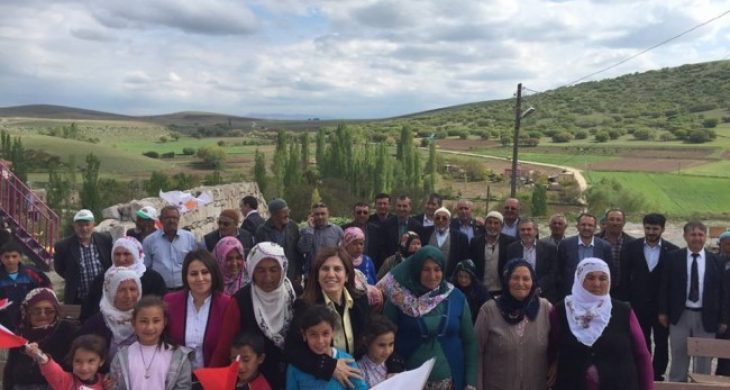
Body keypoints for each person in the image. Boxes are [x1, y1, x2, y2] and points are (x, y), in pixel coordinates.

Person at [380, 246, 477, 389]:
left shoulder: (456, 297)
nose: (432, 276)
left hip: (451, 381)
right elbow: (383, 336)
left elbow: (470, 342)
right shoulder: (399, 299)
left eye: (437, 269)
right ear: (416, 269)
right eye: (426, 269)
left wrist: (471, 382)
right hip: (408, 382)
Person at [549, 258, 653, 389]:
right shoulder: (561, 311)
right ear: (579, 279)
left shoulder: (623, 311)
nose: (597, 284)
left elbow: (642, 355)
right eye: (590, 277)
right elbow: (551, 348)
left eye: (603, 278)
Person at [211, 242, 296, 389]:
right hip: (256, 382)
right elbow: (225, 347)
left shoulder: (294, 296)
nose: (268, 277)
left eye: (274, 270)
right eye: (260, 270)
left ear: (283, 270)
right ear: (251, 270)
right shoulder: (241, 301)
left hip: (294, 378)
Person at [285, 247, 371, 388]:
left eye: (337, 269)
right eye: (325, 269)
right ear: (317, 276)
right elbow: (292, 350)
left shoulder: (360, 301)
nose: (331, 274)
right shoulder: (306, 306)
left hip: (355, 376)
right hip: (321, 379)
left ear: (348, 275)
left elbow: (372, 334)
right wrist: (329, 367)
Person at [658, 221, 726, 383]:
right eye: (693, 234)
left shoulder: (716, 261)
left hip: (707, 316)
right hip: (680, 315)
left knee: (704, 358)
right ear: (685, 236)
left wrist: (723, 319)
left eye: (700, 234)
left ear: (705, 237)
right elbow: (664, 286)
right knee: (679, 354)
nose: (697, 238)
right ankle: (677, 384)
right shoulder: (673, 258)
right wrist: (662, 311)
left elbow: (723, 293)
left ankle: (701, 385)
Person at [617, 213, 678, 381]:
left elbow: (673, 283)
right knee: (640, 340)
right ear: (644, 227)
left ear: (663, 229)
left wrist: (667, 308)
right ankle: (642, 371)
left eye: (655, 229)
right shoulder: (631, 248)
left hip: (661, 307)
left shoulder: (672, 251)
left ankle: (657, 374)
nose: (651, 232)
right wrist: (626, 303)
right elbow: (624, 278)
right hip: (637, 304)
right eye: (648, 228)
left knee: (661, 342)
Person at [475, 259, 552, 390]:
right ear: (506, 281)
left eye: (526, 278)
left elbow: (559, 346)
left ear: (533, 282)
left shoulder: (545, 308)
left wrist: (555, 365)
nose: (520, 283)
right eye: (515, 278)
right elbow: (476, 352)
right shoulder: (489, 311)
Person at [164, 249, 231, 370]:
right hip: (176, 377)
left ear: (213, 273)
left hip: (213, 376)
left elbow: (226, 347)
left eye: (205, 272)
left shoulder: (226, 304)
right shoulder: (170, 302)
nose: (200, 278)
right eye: (194, 274)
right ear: (186, 276)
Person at [109, 296, 193, 390]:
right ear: (134, 323)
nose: (150, 327)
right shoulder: (121, 357)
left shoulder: (178, 357)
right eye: (143, 321)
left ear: (164, 322)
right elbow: (114, 386)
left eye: (156, 321)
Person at [3, 288, 78, 389]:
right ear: (27, 312)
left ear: (56, 311)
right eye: (36, 311)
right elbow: (9, 371)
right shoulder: (21, 334)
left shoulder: (67, 331)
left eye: (49, 311)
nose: (43, 315)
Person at [81, 236, 167, 321]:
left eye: (126, 254)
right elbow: (89, 310)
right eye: (117, 254)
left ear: (136, 254)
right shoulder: (102, 279)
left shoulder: (153, 279)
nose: (121, 259)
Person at [286, 304, 369, 390]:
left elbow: (361, 388)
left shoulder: (347, 361)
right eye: (313, 334)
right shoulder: (295, 367)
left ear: (333, 332)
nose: (320, 341)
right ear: (304, 335)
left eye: (325, 333)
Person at [78, 267, 142, 361]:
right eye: (121, 290)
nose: (128, 295)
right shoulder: (95, 324)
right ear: (111, 292)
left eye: (132, 289)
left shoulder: (147, 319)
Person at [53, 209, 113, 304]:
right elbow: (59, 268)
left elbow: (110, 262)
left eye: (87, 224)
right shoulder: (63, 246)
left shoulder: (105, 240)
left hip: (104, 297)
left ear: (93, 224)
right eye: (80, 225)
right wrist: (73, 277)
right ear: (74, 226)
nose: (84, 228)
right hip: (78, 299)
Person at [143, 205, 202, 290]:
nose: (171, 221)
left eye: (174, 218)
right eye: (167, 218)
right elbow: (146, 266)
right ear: (160, 220)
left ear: (179, 219)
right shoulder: (149, 241)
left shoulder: (189, 238)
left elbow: (196, 261)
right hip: (160, 289)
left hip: (185, 287)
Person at [556, 213, 613, 299]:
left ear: (595, 228)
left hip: (596, 294)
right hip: (571, 294)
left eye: (590, 225)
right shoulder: (565, 244)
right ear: (577, 226)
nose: (586, 228)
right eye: (583, 225)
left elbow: (609, 272)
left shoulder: (605, 247)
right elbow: (558, 271)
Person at [24, 334, 108, 390]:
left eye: (91, 361)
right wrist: (38, 354)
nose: (84, 368)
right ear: (72, 361)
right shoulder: (66, 381)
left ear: (101, 361)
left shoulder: (107, 382)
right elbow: (52, 370)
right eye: (78, 361)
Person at [0, 240, 51, 330]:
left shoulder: (31, 273)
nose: (10, 260)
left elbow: (47, 290)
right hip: (4, 318)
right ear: (1, 258)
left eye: (14, 256)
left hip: (30, 316)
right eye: (6, 257)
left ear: (20, 257)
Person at [506, 219, 559, 303]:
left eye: (529, 229)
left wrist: (539, 287)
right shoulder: (511, 249)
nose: (526, 232)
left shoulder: (549, 248)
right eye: (522, 230)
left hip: (543, 294)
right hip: (519, 292)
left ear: (536, 231)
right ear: (519, 232)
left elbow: (553, 272)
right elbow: (508, 270)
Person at [255, 198, 304, 287]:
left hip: (291, 274)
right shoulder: (262, 231)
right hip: (272, 276)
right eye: (283, 212)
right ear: (274, 215)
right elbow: (259, 257)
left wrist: (299, 272)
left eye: (287, 211)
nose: (287, 214)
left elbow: (298, 253)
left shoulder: (292, 227)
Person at [470, 211, 516, 296]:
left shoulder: (510, 242)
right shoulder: (475, 242)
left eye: (496, 223)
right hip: (480, 289)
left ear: (501, 226)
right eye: (489, 222)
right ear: (485, 224)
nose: (492, 226)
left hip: (502, 289)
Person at [356, 315, 404, 387]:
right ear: (366, 342)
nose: (387, 351)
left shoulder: (395, 363)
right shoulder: (359, 370)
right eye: (381, 345)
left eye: (391, 344)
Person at [421, 207, 469, 278]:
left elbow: (463, 261)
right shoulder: (424, 233)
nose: (440, 220)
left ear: (449, 221)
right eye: (437, 218)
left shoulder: (460, 237)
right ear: (434, 220)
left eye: (444, 218)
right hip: (428, 277)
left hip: (450, 278)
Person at [596, 208, 635, 294]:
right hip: (597, 289)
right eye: (611, 219)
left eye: (618, 220)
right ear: (605, 221)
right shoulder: (594, 241)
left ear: (624, 223)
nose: (615, 223)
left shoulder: (633, 243)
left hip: (624, 291)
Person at [298, 202, 344, 272]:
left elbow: (342, 252)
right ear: (312, 216)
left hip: (330, 272)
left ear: (328, 214)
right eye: (317, 214)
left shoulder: (337, 231)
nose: (320, 217)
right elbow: (303, 249)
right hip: (311, 273)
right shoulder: (305, 231)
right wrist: (310, 230)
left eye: (323, 214)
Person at [452, 259, 491, 325]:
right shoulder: (452, 289)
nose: (463, 280)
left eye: (466, 277)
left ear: (472, 276)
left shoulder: (480, 291)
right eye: (460, 276)